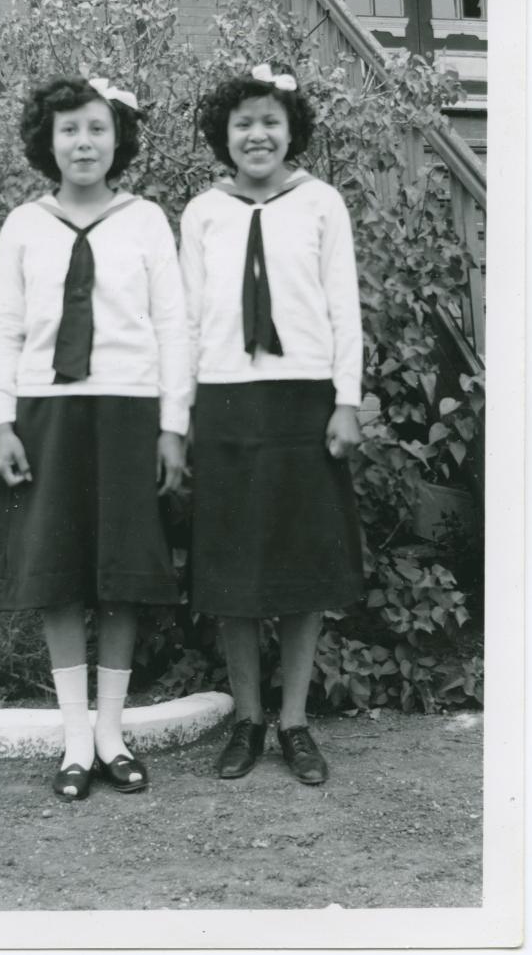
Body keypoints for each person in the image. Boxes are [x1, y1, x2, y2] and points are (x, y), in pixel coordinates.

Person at [0, 74, 189, 802]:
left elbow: (173, 326)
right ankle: (74, 742)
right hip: (47, 414)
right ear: (49, 140)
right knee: (60, 575)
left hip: (130, 411)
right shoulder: (24, 224)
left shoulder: (145, 220)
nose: (83, 142)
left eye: (97, 128)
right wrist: (3, 419)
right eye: (69, 129)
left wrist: (173, 427)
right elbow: (3, 328)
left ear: (118, 138)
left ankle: (111, 735)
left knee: (124, 574)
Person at [179, 63, 364, 786]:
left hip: (303, 398)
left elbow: (343, 307)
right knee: (231, 563)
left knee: (301, 561)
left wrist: (345, 399)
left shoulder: (321, 203)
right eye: (243, 123)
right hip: (224, 395)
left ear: (292, 132)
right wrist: (180, 411)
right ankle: (247, 720)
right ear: (224, 136)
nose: (257, 134)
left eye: (270, 122)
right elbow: (188, 318)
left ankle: (294, 721)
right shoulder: (203, 212)